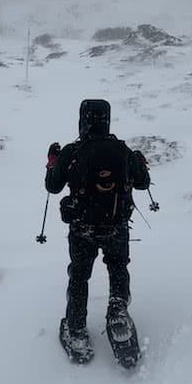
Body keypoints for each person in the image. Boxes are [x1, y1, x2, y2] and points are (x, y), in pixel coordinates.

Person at [44, 99, 151, 368]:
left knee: (79, 275)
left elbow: (53, 186)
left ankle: (77, 330)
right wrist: (140, 162)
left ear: (83, 120)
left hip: (82, 229)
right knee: (117, 268)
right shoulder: (123, 150)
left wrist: (52, 163)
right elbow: (142, 183)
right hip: (117, 227)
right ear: (107, 120)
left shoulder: (72, 151)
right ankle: (118, 316)